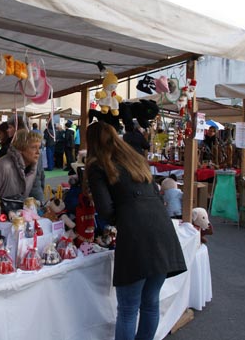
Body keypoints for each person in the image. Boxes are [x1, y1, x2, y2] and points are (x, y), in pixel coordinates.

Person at [85, 122, 187, 340]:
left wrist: (124, 218)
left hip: (135, 235)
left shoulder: (97, 165)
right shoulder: (135, 159)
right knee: (150, 302)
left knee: (129, 308)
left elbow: (105, 210)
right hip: (161, 227)